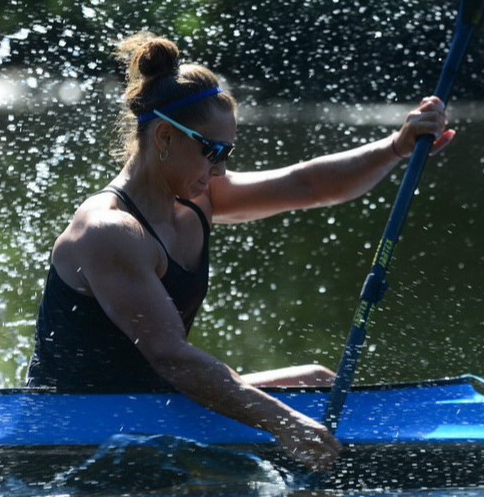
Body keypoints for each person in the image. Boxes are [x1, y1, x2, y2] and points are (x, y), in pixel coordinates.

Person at [26, 32, 454, 471]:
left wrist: (396, 147)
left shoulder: (198, 197)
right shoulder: (110, 230)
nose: (221, 168)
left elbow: (306, 184)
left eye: (227, 152)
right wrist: (285, 423)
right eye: (212, 151)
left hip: (153, 401)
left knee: (318, 383)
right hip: (72, 427)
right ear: (165, 137)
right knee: (297, 411)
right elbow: (172, 357)